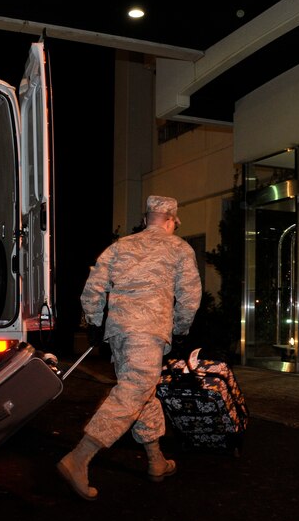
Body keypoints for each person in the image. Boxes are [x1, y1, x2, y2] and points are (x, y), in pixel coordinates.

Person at [57, 195, 202, 500]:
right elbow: (189, 296)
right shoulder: (178, 248)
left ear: (147, 217)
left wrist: (94, 322)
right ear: (171, 220)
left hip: (120, 333)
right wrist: (181, 331)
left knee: (140, 391)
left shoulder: (120, 246)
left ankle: (156, 461)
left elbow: (94, 285)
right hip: (149, 332)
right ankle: (79, 457)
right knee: (135, 390)